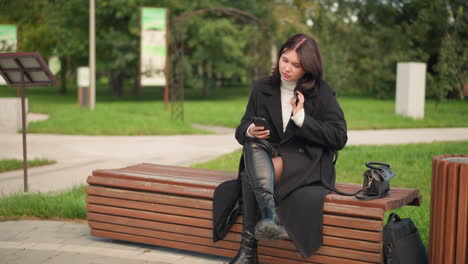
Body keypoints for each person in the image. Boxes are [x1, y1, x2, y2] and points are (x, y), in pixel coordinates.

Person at [212, 33, 348, 264]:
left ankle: (249, 251)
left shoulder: (321, 91)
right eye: (285, 60)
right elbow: (241, 128)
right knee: (253, 146)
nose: (287, 68)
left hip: (307, 161)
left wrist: (303, 119)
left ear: (308, 68)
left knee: (250, 174)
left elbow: (339, 137)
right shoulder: (263, 87)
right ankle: (268, 216)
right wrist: (249, 131)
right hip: (269, 156)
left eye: (296, 65)